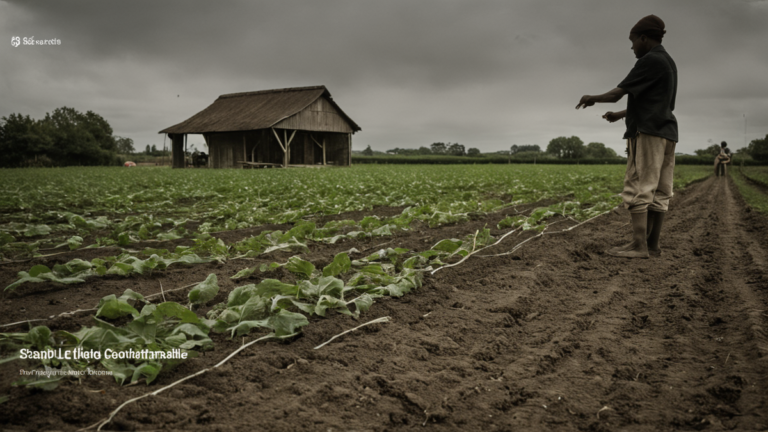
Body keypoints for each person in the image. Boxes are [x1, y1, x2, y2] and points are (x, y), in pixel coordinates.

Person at [575, 14, 678, 259]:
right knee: (660, 190)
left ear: (643, 38)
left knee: (639, 185)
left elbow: (616, 94)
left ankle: (638, 246)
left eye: (633, 41)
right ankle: (652, 246)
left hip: (648, 133)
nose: (631, 47)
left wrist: (591, 98)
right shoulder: (667, 61)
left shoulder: (649, 60)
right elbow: (656, 101)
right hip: (667, 133)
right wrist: (622, 114)